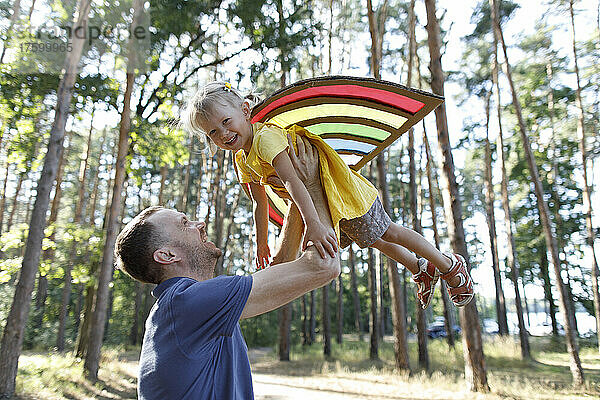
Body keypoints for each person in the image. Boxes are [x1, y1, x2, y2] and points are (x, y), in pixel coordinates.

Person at [182, 81, 474, 310]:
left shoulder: (266, 138)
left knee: (388, 231)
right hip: (322, 203)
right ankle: (420, 267)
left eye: (225, 122)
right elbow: (260, 202)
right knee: (374, 239)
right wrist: (261, 243)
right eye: (212, 133)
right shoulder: (241, 159)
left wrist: (314, 224)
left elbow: (294, 181)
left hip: (340, 191)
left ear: (245, 111)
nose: (222, 134)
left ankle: (449, 264)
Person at [115, 137, 339, 400]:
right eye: (184, 223)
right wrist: (313, 184)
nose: (199, 223)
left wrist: (296, 200)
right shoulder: (188, 303)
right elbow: (323, 266)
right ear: (166, 255)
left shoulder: (185, 307)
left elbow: (282, 269)